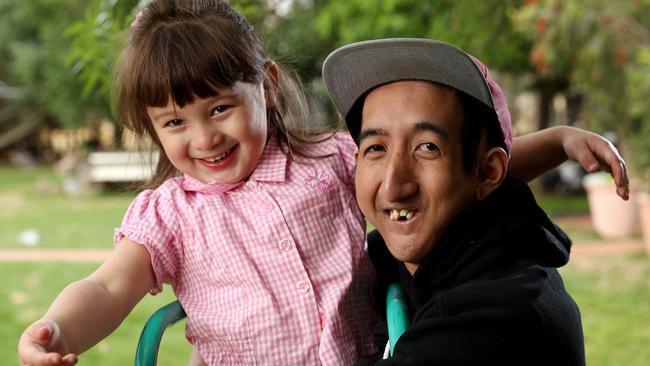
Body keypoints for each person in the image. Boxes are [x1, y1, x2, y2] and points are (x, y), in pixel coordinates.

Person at [17, 1, 626, 364]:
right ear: (152, 127)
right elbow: (106, 286)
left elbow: (454, 172)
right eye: (175, 122)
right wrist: (57, 329)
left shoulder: (330, 160)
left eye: (220, 108)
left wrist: (554, 142)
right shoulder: (169, 215)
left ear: (270, 86)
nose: (203, 139)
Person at [322, 37, 588, 365]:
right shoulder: (432, 257)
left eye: (428, 147)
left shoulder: (497, 316)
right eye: (376, 148)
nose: (392, 186)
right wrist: (556, 140)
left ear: (487, 172)